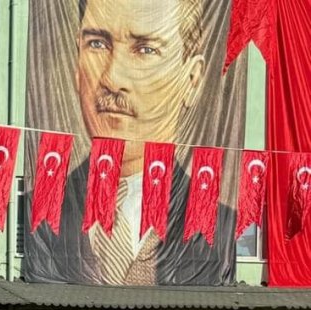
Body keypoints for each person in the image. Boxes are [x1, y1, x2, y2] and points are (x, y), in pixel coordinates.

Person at [25, 0, 234, 286]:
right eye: (97, 44)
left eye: (145, 50)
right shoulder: (39, 215)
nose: (113, 78)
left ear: (192, 78)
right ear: (77, 66)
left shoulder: (221, 224)